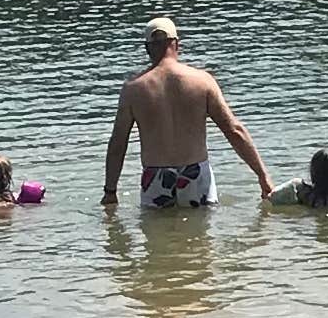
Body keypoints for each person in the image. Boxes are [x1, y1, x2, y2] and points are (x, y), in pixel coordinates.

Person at [103, 17, 276, 208]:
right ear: (177, 44)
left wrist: (110, 191)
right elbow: (233, 130)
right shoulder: (202, 81)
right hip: (195, 173)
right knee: (201, 227)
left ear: (147, 48)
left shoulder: (133, 89)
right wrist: (262, 175)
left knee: (155, 227)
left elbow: (118, 142)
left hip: (155, 177)